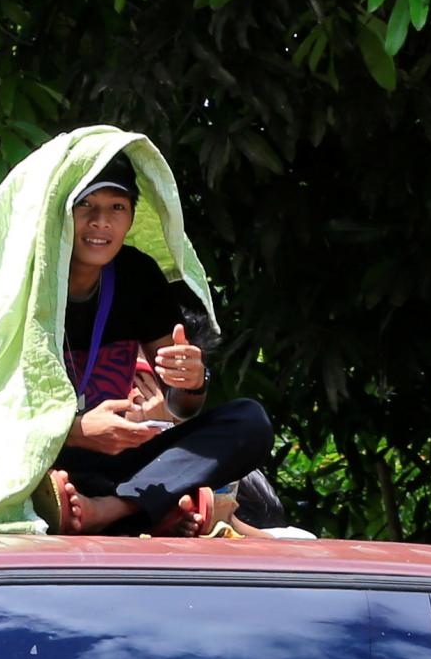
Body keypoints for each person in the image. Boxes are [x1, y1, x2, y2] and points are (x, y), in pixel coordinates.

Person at [49, 155, 274, 536]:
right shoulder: (30, 279)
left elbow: (182, 406)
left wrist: (190, 382)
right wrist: (76, 431)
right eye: (85, 205)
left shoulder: (137, 274)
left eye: (116, 207)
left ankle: (112, 509)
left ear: (132, 217)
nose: (100, 221)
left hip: (122, 461)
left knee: (248, 421)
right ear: (60, 214)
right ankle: (149, 508)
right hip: (50, 455)